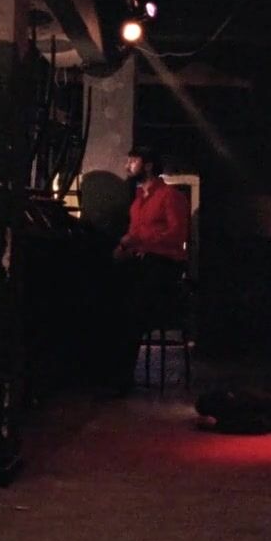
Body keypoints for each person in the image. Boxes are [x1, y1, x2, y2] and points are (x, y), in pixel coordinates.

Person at [105, 147, 191, 393]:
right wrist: (126, 248)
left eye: (133, 161)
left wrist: (139, 242)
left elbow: (177, 235)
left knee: (129, 310)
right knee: (110, 299)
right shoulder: (137, 202)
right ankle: (110, 376)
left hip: (163, 269)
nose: (128, 166)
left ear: (149, 165)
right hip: (142, 265)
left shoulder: (170, 196)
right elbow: (134, 236)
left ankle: (120, 380)